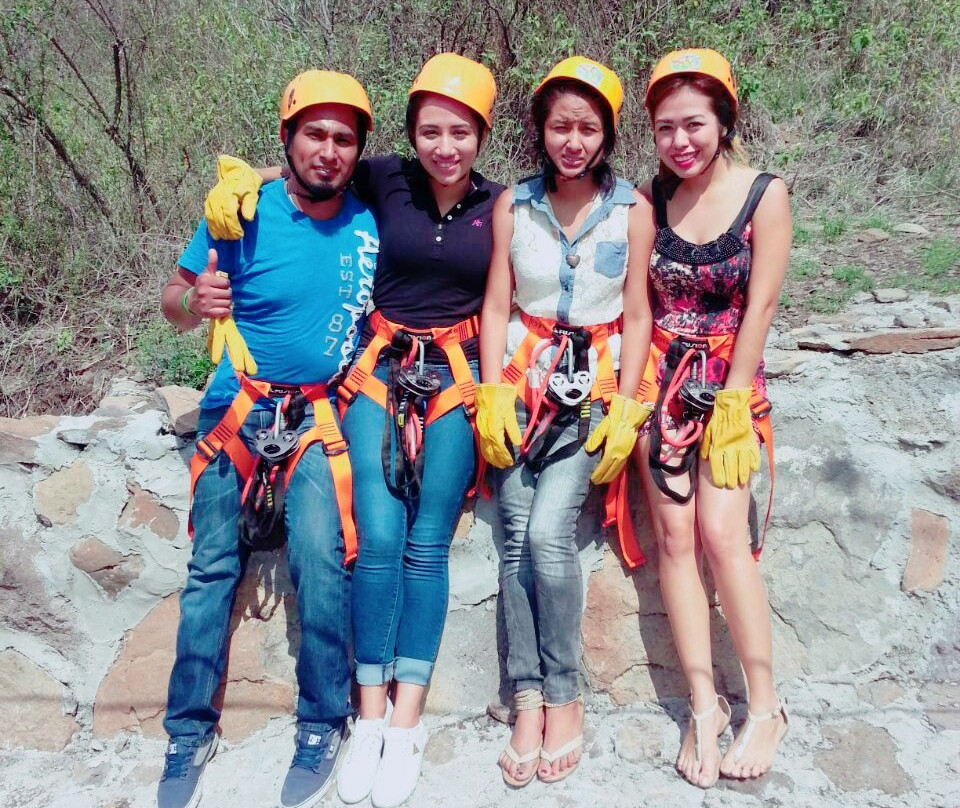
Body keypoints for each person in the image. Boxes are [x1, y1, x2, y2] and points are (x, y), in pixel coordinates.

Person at [202, 53, 502, 808]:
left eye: (461, 132)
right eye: (430, 130)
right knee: (373, 537)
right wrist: (248, 192)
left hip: (455, 375)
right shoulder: (383, 178)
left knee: (426, 545)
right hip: (378, 370)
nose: (444, 146)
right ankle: (367, 714)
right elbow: (311, 182)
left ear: (482, 137)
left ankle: (406, 723)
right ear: (408, 135)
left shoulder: (501, 207)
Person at [157, 70, 378, 808]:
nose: (329, 150)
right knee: (210, 569)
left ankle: (323, 721)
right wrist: (196, 301)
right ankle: (187, 731)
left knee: (323, 558)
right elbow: (174, 298)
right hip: (238, 411)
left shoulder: (369, 218)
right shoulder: (240, 212)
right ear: (286, 139)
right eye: (314, 133)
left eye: (344, 138)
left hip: (316, 418)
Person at [477, 56, 656, 787]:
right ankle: (526, 698)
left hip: (593, 389)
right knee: (514, 540)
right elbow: (495, 303)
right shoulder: (513, 206)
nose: (573, 140)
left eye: (587, 127)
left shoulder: (632, 210)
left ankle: (565, 693)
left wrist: (628, 399)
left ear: (608, 133)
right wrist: (491, 391)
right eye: (560, 126)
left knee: (550, 532)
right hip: (523, 381)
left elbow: (639, 310)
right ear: (540, 131)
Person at [636, 48, 791, 788]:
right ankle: (705, 704)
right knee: (673, 536)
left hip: (731, 387)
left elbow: (760, 303)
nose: (680, 141)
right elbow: (640, 303)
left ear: (724, 121)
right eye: (666, 127)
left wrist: (734, 398)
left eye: (694, 123)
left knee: (723, 533)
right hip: (662, 383)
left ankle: (765, 705)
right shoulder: (648, 199)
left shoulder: (766, 195)